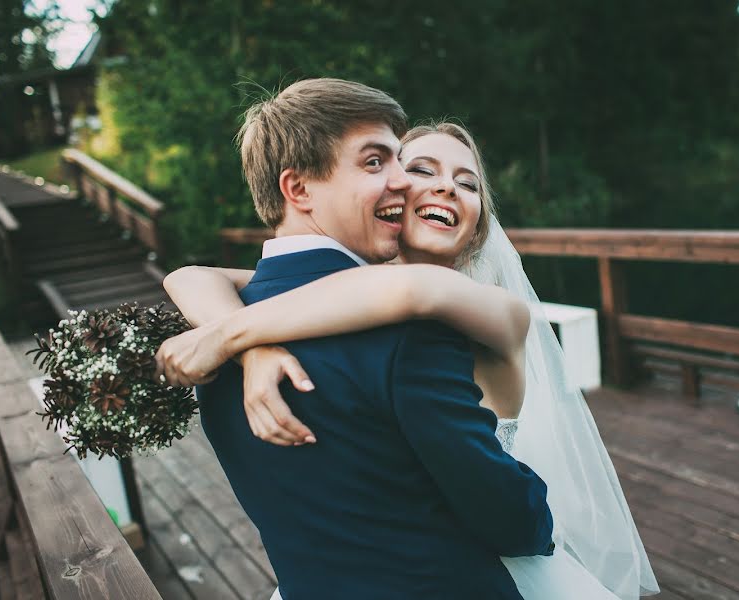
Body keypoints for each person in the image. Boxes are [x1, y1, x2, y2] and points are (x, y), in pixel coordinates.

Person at [158, 114, 660, 598]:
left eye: (468, 184)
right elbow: (191, 276)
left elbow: (416, 291)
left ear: (479, 223)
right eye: (420, 170)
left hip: (490, 551)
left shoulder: (497, 311)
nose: (446, 188)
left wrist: (226, 339)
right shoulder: (339, 292)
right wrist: (255, 352)